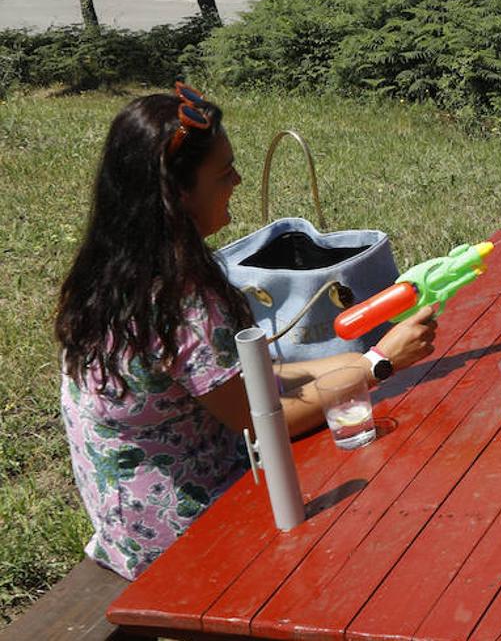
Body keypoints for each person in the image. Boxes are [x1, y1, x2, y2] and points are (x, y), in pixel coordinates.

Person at [56, 84, 438, 580]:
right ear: (179, 194)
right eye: (223, 171)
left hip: (125, 528)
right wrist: (376, 365)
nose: (237, 178)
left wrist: (367, 358)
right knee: (391, 512)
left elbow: (245, 378)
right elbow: (260, 420)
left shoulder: (109, 271)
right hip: (189, 540)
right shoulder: (182, 299)